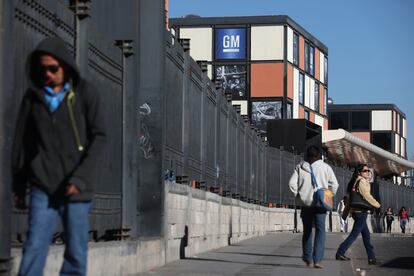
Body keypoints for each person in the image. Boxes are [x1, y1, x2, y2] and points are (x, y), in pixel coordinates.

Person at [12, 37, 107, 276]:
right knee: (34, 246)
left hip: (76, 187)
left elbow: (100, 137)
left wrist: (80, 179)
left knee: (76, 251)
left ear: (65, 66)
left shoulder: (85, 94)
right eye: (42, 68)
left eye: (52, 68)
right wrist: (19, 185)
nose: (47, 74)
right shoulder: (33, 98)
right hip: (42, 186)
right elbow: (22, 143)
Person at [289, 146, 339, 269]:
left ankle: (308, 258)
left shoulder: (300, 167)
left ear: (307, 155)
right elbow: (335, 185)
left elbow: (291, 184)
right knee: (320, 231)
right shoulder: (326, 168)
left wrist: (299, 195)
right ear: (319, 156)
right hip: (321, 204)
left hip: (306, 203)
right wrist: (328, 195)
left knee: (307, 231)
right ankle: (318, 260)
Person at [335, 164, 381, 265]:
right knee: (354, 234)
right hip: (361, 212)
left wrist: (346, 213)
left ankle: (371, 258)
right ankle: (340, 252)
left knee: (366, 235)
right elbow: (367, 195)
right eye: (365, 171)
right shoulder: (362, 181)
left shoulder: (356, 181)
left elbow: (350, 199)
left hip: (357, 212)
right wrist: (377, 205)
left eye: (368, 170)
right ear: (359, 172)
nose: (368, 172)